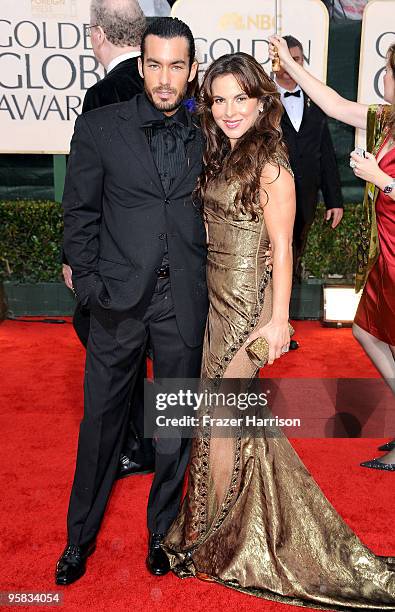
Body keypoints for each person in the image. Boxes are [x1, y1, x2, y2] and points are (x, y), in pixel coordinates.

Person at [162, 53, 395, 610]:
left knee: (221, 422)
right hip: (215, 305)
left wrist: (278, 320)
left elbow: (283, 248)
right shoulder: (223, 153)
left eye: (241, 98)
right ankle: (223, 526)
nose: (228, 110)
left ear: (263, 102)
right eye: (218, 99)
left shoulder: (271, 162)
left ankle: (217, 539)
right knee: (222, 424)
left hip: (247, 309)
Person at [56, 17, 208, 585]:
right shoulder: (100, 128)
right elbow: (80, 214)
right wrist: (92, 287)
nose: (165, 79)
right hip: (118, 304)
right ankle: (78, 540)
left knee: (172, 431)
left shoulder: (209, 130)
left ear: (191, 69)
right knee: (99, 426)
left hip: (182, 306)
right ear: (140, 65)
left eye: (176, 65)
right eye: (154, 65)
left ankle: (162, 535)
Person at [269, 36, 395, 470]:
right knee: (368, 333)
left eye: (391, 72)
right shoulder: (386, 119)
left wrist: (382, 179)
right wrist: (289, 63)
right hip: (388, 253)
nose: (387, 79)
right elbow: (335, 103)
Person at [62, 0, 154, 478]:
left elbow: (86, 190)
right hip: (163, 255)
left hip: (117, 259)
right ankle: (153, 442)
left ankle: (137, 441)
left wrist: (77, 259)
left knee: (111, 350)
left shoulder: (102, 95)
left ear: (97, 34)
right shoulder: (169, 87)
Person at [275, 35, 343, 282]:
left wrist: (334, 199)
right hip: (273, 192)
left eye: (296, 60)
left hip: (307, 194)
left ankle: (289, 299)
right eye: (286, 60)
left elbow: (326, 153)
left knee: (297, 245)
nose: (291, 66)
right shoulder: (263, 100)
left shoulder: (318, 101)